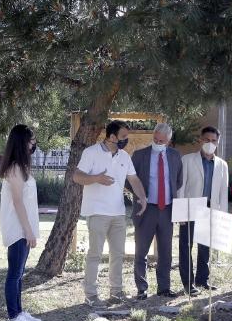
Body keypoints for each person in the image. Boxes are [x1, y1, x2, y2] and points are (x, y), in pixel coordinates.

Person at [74, 120, 148, 307]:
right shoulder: (91, 152)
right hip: (97, 212)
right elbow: (77, 176)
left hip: (118, 213)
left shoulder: (124, 156)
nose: (126, 140)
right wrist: (96, 178)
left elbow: (134, 179)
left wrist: (142, 198)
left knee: (118, 254)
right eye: (123, 136)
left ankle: (116, 292)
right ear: (112, 136)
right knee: (95, 254)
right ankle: (91, 295)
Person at [131, 123, 183, 300]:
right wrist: (140, 196)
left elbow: (178, 181)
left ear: (168, 141)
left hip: (167, 209)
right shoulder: (140, 155)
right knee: (141, 251)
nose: (158, 143)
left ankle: (164, 288)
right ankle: (141, 288)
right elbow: (130, 180)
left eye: (162, 141)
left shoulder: (175, 156)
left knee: (165, 252)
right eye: (155, 139)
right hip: (146, 209)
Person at [178, 126, 230, 294]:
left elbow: (223, 192)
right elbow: (181, 187)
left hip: (210, 209)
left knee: (205, 247)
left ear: (218, 142)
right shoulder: (187, 160)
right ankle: (188, 283)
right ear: (200, 140)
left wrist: (222, 215)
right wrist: (180, 211)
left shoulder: (222, 165)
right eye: (207, 140)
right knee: (186, 246)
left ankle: (202, 280)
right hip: (190, 207)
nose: (210, 143)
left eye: (214, 140)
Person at [0, 124, 41, 321]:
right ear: (22, 142)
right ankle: (13, 317)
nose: (33, 145)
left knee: (19, 274)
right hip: (18, 230)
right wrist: (28, 231)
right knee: (14, 274)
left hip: (24, 228)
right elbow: (17, 202)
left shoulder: (21, 167)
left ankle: (19, 312)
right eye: (31, 141)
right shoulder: (15, 168)